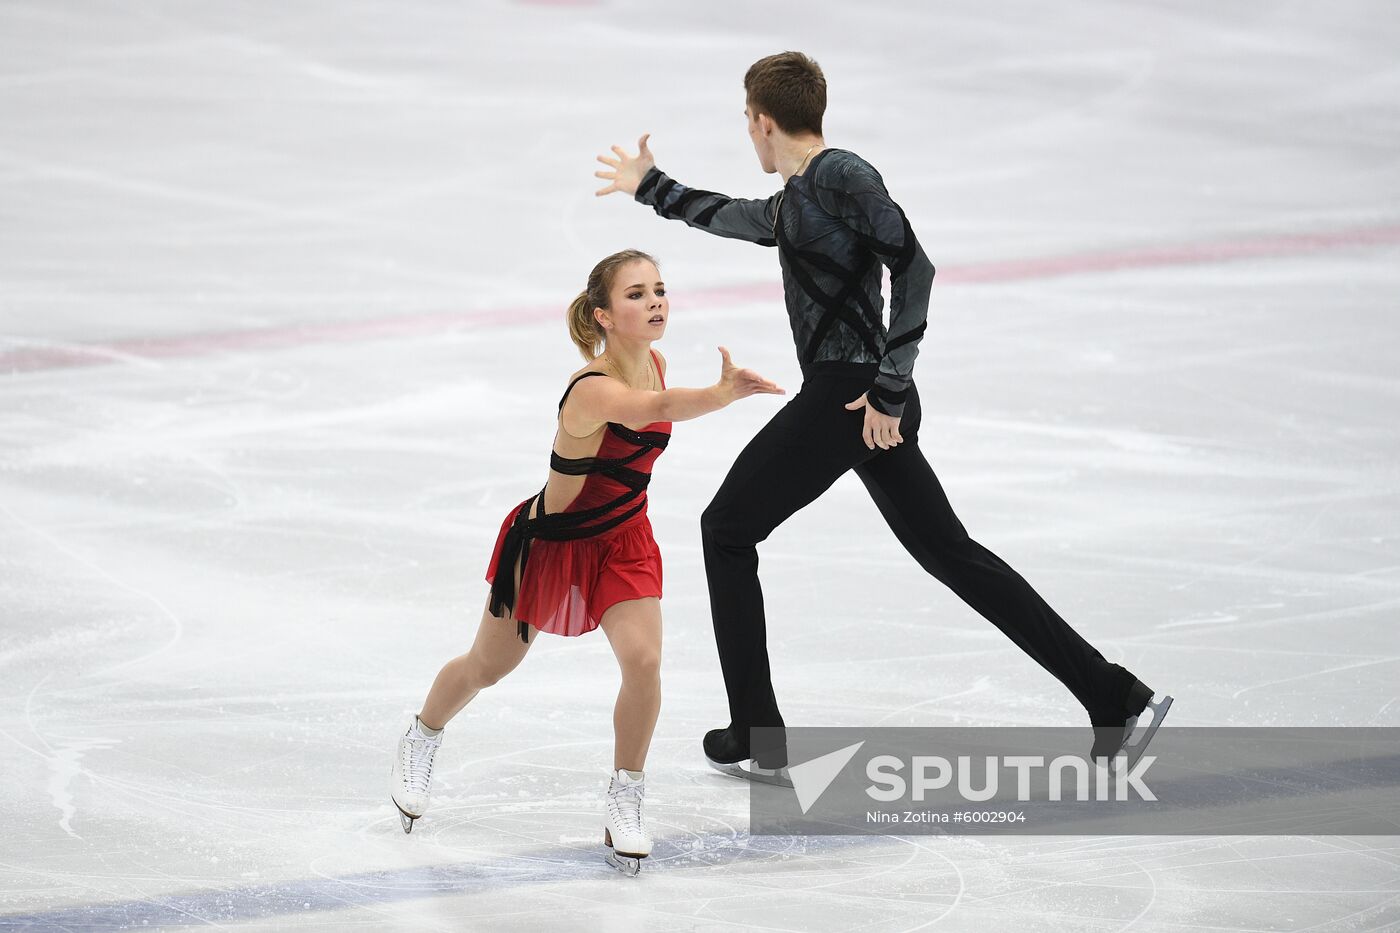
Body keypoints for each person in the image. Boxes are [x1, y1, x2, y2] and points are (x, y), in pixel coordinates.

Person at [593, 52, 1172, 783]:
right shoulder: (795, 200)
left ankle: (757, 730)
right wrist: (652, 187)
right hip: (860, 399)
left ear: (763, 122)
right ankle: (1113, 693)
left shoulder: (842, 176)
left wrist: (892, 387)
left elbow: (916, 266)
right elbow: (732, 216)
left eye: (748, 123)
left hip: (853, 395)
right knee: (950, 552)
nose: (749, 136)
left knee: (726, 528)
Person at [389, 249, 784, 874]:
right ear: (602, 315)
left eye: (659, 289)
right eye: (636, 294)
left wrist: (706, 393)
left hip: (624, 538)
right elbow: (650, 412)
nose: (655, 301)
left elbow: (657, 401)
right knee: (488, 667)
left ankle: (626, 795)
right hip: (551, 543)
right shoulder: (593, 389)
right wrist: (720, 394)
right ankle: (423, 734)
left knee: (645, 659)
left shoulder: (655, 363)